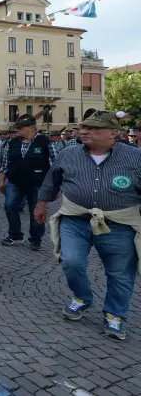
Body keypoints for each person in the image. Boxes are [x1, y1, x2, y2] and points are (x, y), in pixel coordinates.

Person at [35, 111, 141, 341]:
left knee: (120, 274)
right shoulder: (69, 153)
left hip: (119, 224)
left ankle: (115, 315)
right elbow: (51, 180)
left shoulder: (135, 157)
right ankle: (82, 297)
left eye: (93, 129)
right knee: (71, 261)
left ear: (114, 133)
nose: (85, 132)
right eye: (84, 128)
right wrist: (41, 203)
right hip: (75, 220)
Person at [0, 114, 58, 250]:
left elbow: (55, 167)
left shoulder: (46, 142)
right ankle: (15, 235)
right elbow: (5, 164)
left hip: (38, 184)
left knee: (36, 211)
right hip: (15, 182)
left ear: (31, 128)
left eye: (20, 128)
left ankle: (36, 239)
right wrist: (2, 180)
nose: (16, 130)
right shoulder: (12, 143)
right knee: (9, 205)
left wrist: (56, 186)